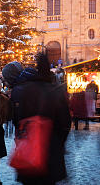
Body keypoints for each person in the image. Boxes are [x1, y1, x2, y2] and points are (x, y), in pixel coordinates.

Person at [10, 52, 71, 185]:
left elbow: (17, 119)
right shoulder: (56, 91)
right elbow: (65, 123)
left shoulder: (26, 90)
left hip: (29, 150)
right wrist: (58, 143)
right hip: (51, 149)